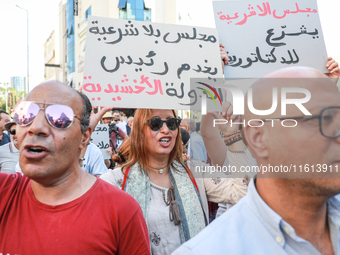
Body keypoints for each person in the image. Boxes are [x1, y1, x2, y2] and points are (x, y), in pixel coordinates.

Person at [173, 66, 340, 255]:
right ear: (258, 137)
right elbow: (209, 132)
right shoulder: (212, 248)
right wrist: (212, 69)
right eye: (322, 119)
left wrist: (324, 86)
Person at [0, 81, 150, 254]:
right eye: (26, 114)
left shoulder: (121, 211)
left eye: (60, 118)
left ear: (85, 137)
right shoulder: (5, 193)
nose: (36, 127)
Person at [98, 108, 248, 255]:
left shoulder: (195, 172)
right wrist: (84, 135)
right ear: (139, 131)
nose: (165, 130)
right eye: (156, 123)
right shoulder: (118, 180)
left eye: (171, 123)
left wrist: (232, 134)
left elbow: (243, 192)